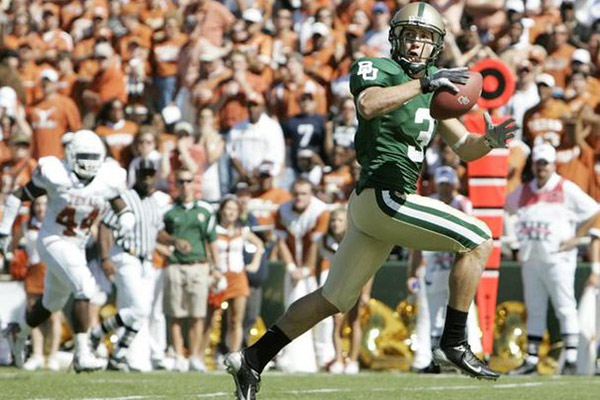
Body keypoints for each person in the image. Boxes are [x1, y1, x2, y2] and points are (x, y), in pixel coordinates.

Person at [225, 3, 517, 398]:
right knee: (478, 238)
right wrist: (426, 85)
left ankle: (252, 360)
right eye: (411, 36)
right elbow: (369, 104)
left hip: (376, 207)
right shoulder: (379, 69)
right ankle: (453, 342)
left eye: (426, 39)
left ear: (437, 46)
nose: (417, 45)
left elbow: (464, 147)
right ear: (396, 39)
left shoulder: (433, 86)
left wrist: (489, 142)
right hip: (383, 194)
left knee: (333, 298)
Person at [0, 130, 135, 372]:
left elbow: (123, 209)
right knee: (85, 287)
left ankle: (19, 332)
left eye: (93, 156)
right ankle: (82, 353)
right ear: (71, 155)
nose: (88, 162)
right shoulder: (57, 174)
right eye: (84, 156)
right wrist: (4, 230)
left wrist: (127, 221)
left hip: (77, 245)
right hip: (52, 239)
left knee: (52, 302)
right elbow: (17, 197)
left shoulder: (107, 178)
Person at [505, 143, 600, 375]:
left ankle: (570, 358)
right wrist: (516, 245)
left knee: (564, 306)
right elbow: (507, 209)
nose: (541, 168)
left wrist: (576, 238)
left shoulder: (566, 188)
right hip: (531, 257)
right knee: (535, 308)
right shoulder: (524, 190)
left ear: (553, 164)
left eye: (545, 163)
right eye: (538, 163)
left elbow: (595, 210)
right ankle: (531, 358)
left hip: (558, 258)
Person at [90, 158, 172, 371]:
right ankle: (97, 334)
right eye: (143, 174)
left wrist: (174, 241)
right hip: (126, 256)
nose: (147, 179)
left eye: (150, 174)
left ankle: (118, 355)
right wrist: (105, 257)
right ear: (136, 175)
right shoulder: (124, 198)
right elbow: (105, 227)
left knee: (140, 312)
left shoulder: (154, 202)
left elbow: (157, 231)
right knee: (139, 308)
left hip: (146, 260)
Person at [407, 166, 483, 374]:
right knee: (434, 315)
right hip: (433, 265)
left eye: (448, 184)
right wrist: (412, 272)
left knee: (462, 313)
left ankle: (467, 356)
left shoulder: (463, 204)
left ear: (456, 185)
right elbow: (415, 240)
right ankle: (437, 359)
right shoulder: (428, 203)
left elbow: (470, 235)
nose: (445, 188)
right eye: (442, 184)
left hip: (457, 267)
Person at [161, 168, 220, 372]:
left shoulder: (204, 210)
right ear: (176, 184)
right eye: (181, 181)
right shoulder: (169, 210)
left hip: (199, 265)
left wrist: (217, 267)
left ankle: (195, 355)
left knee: (197, 314)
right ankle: (178, 355)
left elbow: (212, 240)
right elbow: (157, 235)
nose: (185, 185)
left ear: (194, 184)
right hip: (176, 264)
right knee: (175, 314)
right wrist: (173, 243)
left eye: (189, 181)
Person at [206, 196, 264, 363]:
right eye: (227, 209)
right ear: (222, 211)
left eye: (234, 209)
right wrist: (213, 270)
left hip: (238, 276)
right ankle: (207, 351)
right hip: (219, 276)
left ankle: (233, 354)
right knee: (211, 317)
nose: (230, 212)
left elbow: (260, 245)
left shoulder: (242, 230)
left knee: (236, 319)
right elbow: (209, 252)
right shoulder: (214, 231)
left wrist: (254, 264)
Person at [15, 196, 63, 371]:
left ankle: (53, 356)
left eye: (44, 204)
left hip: (52, 269)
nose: (41, 208)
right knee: (33, 314)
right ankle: (36, 354)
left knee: (54, 316)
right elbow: (13, 244)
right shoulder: (27, 224)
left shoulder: (57, 223)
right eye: (37, 204)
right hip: (34, 271)